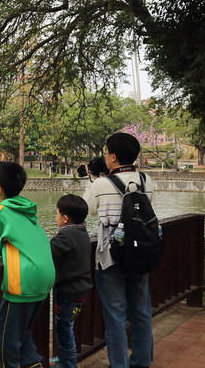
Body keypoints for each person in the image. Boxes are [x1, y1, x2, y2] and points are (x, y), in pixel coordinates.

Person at [0, 161, 55, 368]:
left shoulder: (1, 210)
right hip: (44, 277)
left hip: (24, 280)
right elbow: (16, 239)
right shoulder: (25, 208)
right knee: (23, 333)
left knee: (5, 336)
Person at [82, 132, 154, 368]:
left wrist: (92, 180)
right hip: (141, 251)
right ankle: (142, 361)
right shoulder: (146, 180)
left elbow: (87, 209)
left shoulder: (103, 183)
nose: (105, 157)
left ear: (112, 156)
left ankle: (119, 364)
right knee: (141, 311)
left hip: (111, 256)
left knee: (115, 316)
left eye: (106, 153)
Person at [49, 194, 92, 368]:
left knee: (64, 331)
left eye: (57, 214)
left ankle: (68, 364)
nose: (56, 217)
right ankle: (63, 359)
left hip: (69, 292)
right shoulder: (82, 231)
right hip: (80, 290)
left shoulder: (66, 234)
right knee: (67, 326)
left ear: (65, 218)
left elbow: (47, 250)